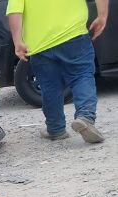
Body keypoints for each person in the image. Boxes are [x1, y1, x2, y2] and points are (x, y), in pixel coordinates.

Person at [7, 0, 109, 143]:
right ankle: (85, 117)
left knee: (50, 87)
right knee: (81, 76)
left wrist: (17, 41)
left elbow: (15, 11)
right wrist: (102, 15)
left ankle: (56, 129)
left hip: (39, 45)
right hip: (73, 35)